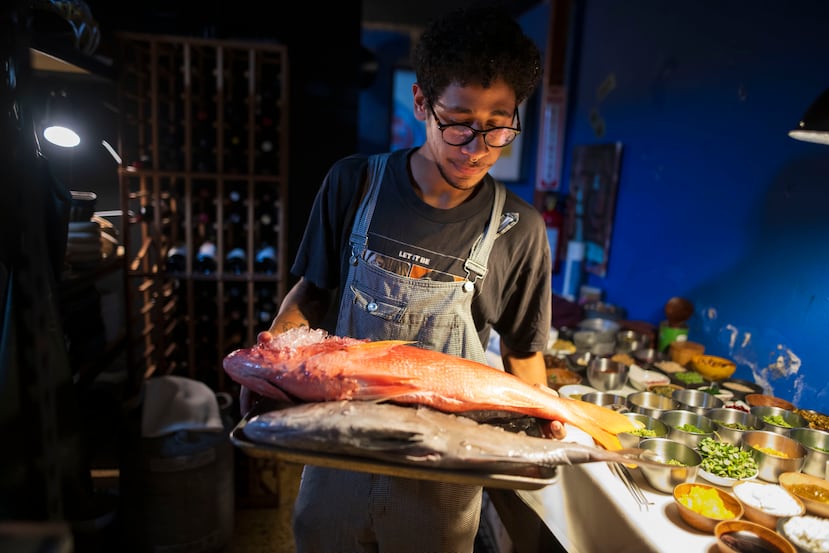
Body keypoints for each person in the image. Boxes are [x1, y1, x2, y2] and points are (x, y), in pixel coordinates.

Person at [241, 4, 565, 552]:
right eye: (458, 121)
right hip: (338, 451)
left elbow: (522, 353)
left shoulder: (522, 230)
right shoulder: (354, 183)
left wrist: (546, 415)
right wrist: (274, 362)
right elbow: (312, 295)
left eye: (498, 125)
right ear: (421, 102)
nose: (476, 146)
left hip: (444, 471)